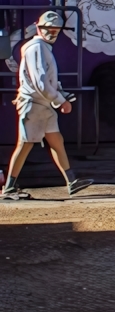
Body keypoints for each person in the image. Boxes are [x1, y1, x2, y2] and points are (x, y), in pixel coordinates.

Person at [4, 12, 92, 200]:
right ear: (38, 27)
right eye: (48, 29)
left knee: (56, 141)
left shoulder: (41, 47)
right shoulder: (36, 47)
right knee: (25, 144)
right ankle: (9, 188)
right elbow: (40, 82)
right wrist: (61, 100)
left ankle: (71, 182)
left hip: (42, 105)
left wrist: (59, 95)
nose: (52, 33)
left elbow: (46, 81)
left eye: (55, 30)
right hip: (35, 104)